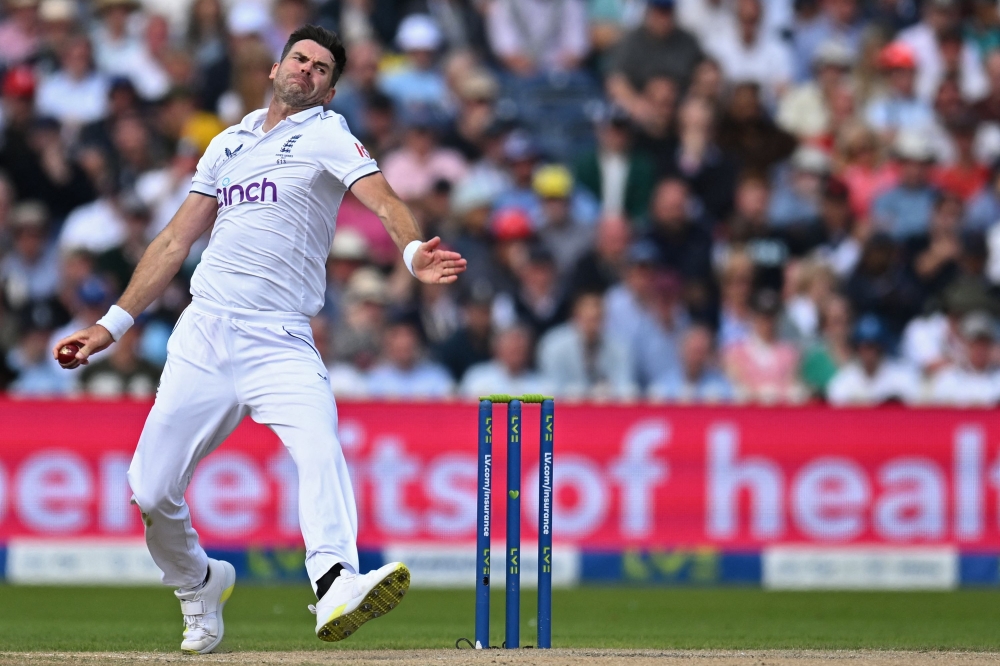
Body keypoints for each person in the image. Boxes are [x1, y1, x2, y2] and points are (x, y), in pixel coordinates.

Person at [52, 25, 467, 654]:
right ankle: (198, 585)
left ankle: (334, 581)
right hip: (205, 331)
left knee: (321, 446)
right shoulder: (227, 142)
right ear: (275, 68)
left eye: (322, 68)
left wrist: (411, 253)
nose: (307, 70)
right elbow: (172, 242)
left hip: (280, 337)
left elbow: (382, 200)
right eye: (299, 59)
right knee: (150, 490)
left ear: (329, 87)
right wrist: (111, 324)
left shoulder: (327, 133)